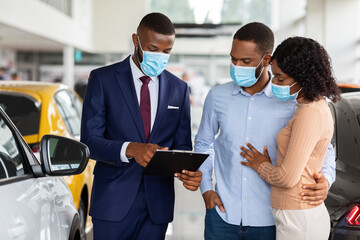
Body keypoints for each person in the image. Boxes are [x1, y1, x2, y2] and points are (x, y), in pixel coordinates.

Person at [195, 22, 336, 240]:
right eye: (233, 59)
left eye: (246, 61)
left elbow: (324, 148)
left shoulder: (292, 99)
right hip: (223, 215)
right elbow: (204, 143)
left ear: (266, 60)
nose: (237, 66)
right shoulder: (217, 97)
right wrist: (206, 189)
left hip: (271, 220)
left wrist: (326, 179)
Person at [81, 13, 202, 240]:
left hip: (156, 208)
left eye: (167, 52)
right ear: (136, 40)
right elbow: (89, 142)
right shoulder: (103, 79)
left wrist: (188, 171)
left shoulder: (179, 89)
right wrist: (130, 149)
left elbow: (183, 145)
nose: (160, 56)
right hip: (112, 203)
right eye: (153, 48)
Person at [240, 36, 340, 240]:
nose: (274, 83)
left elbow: (287, 177)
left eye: (280, 78)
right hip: (295, 215)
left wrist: (261, 165)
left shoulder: (309, 113)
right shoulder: (308, 108)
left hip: (299, 218)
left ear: (302, 77)